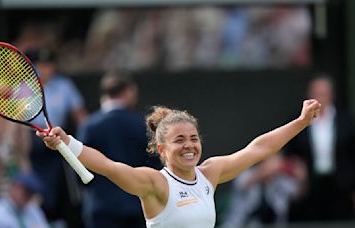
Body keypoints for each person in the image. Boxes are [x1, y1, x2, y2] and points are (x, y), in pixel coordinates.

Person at [37, 99, 321, 228]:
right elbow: (108, 166)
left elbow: (258, 148)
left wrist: (300, 122)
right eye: (180, 140)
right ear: (161, 149)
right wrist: (67, 143)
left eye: (194, 138)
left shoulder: (210, 173)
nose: (189, 145)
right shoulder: (155, 184)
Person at [77, 71, 161, 228]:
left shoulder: (89, 126)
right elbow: (155, 166)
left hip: (101, 208)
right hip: (138, 206)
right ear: (129, 91)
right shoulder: (142, 125)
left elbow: (79, 167)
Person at [24, 47, 88, 227]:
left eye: (48, 64)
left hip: (57, 141)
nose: (45, 69)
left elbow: (80, 116)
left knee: (63, 191)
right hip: (32, 145)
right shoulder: (22, 88)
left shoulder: (64, 85)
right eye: (40, 65)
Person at [285, 74, 355, 222]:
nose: (320, 99)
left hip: (341, 185)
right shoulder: (299, 122)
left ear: (332, 96)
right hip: (309, 186)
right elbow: (289, 151)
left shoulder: (346, 120)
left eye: (323, 94)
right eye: (316, 94)